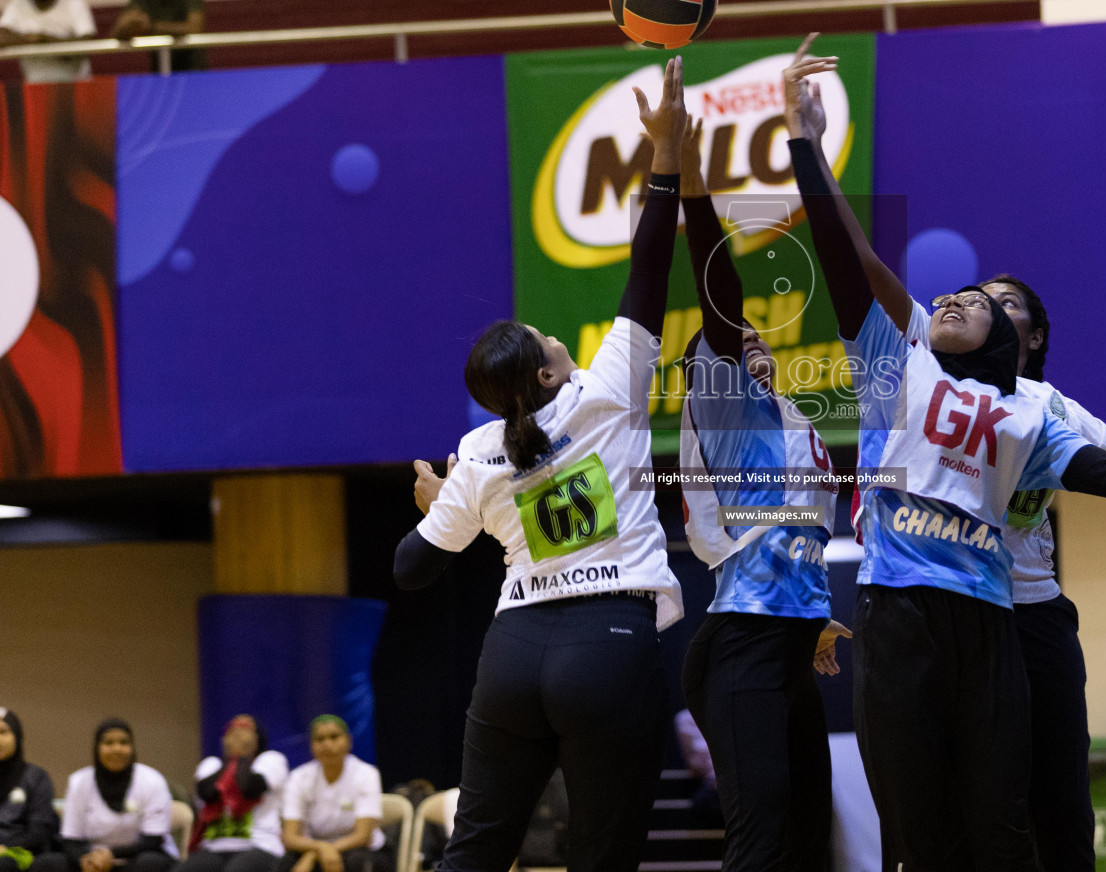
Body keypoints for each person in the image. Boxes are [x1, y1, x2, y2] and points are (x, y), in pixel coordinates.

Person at [787, 32, 1106, 871]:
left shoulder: (1040, 413)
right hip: (908, 605)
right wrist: (804, 142)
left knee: (1038, 813)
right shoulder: (906, 356)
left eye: (1002, 300)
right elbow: (853, 260)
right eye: (970, 293)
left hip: (1017, 615)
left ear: (1029, 335)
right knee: (920, 819)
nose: (967, 299)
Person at [394, 56, 691, 872]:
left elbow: (413, 568)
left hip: (512, 652)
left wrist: (438, 504)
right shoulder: (606, 392)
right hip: (611, 640)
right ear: (549, 372)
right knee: (603, 854)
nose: (555, 335)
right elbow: (650, 267)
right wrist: (665, 156)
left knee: (478, 849)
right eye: (544, 337)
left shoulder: (482, 452)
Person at [671, 113, 848, 871]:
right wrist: (689, 176)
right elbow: (721, 292)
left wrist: (816, 614)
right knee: (762, 839)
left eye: (754, 338)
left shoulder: (796, 419)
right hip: (740, 638)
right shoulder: (719, 402)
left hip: (790, 640)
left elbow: (800, 531)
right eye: (729, 340)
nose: (748, 341)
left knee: (811, 835)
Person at [31, 720, 176, 872]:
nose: (117, 749)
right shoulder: (79, 781)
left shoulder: (152, 780)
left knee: (150, 863)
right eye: (109, 742)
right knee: (46, 864)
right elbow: (71, 840)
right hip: (92, 860)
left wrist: (110, 855)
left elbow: (153, 841)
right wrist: (85, 861)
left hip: (135, 858)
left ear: (132, 747)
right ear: (97, 748)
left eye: (124, 742)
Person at [278, 717, 389, 872]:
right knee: (285, 863)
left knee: (356, 861)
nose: (327, 744)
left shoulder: (366, 774)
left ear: (348, 740)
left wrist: (316, 854)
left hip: (357, 848)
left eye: (334, 737)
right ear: (311, 746)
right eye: (320, 739)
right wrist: (320, 848)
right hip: (315, 845)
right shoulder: (298, 777)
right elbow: (290, 837)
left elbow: (363, 835)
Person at [184, 715, 290, 872]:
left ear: (258, 737)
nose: (238, 736)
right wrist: (232, 759)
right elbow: (208, 793)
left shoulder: (271, 760)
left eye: (245, 730)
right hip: (214, 846)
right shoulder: (211, 764)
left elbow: (250, 788)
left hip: (260, 844)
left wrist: (242, 756)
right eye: (232, 731)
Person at [0, 0, 97, 83]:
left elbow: (87, 42)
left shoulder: (75, 4)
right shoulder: (17, 6)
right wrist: (32, 40)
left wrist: (46, 41)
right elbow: (2, 36)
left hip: (76, 87)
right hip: (34, 91)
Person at [0, 707, 59, 872]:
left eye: (3, 732)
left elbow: (38, 833)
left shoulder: (36, 777)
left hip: (19, 853)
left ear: (17, 737)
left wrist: (6, 848)